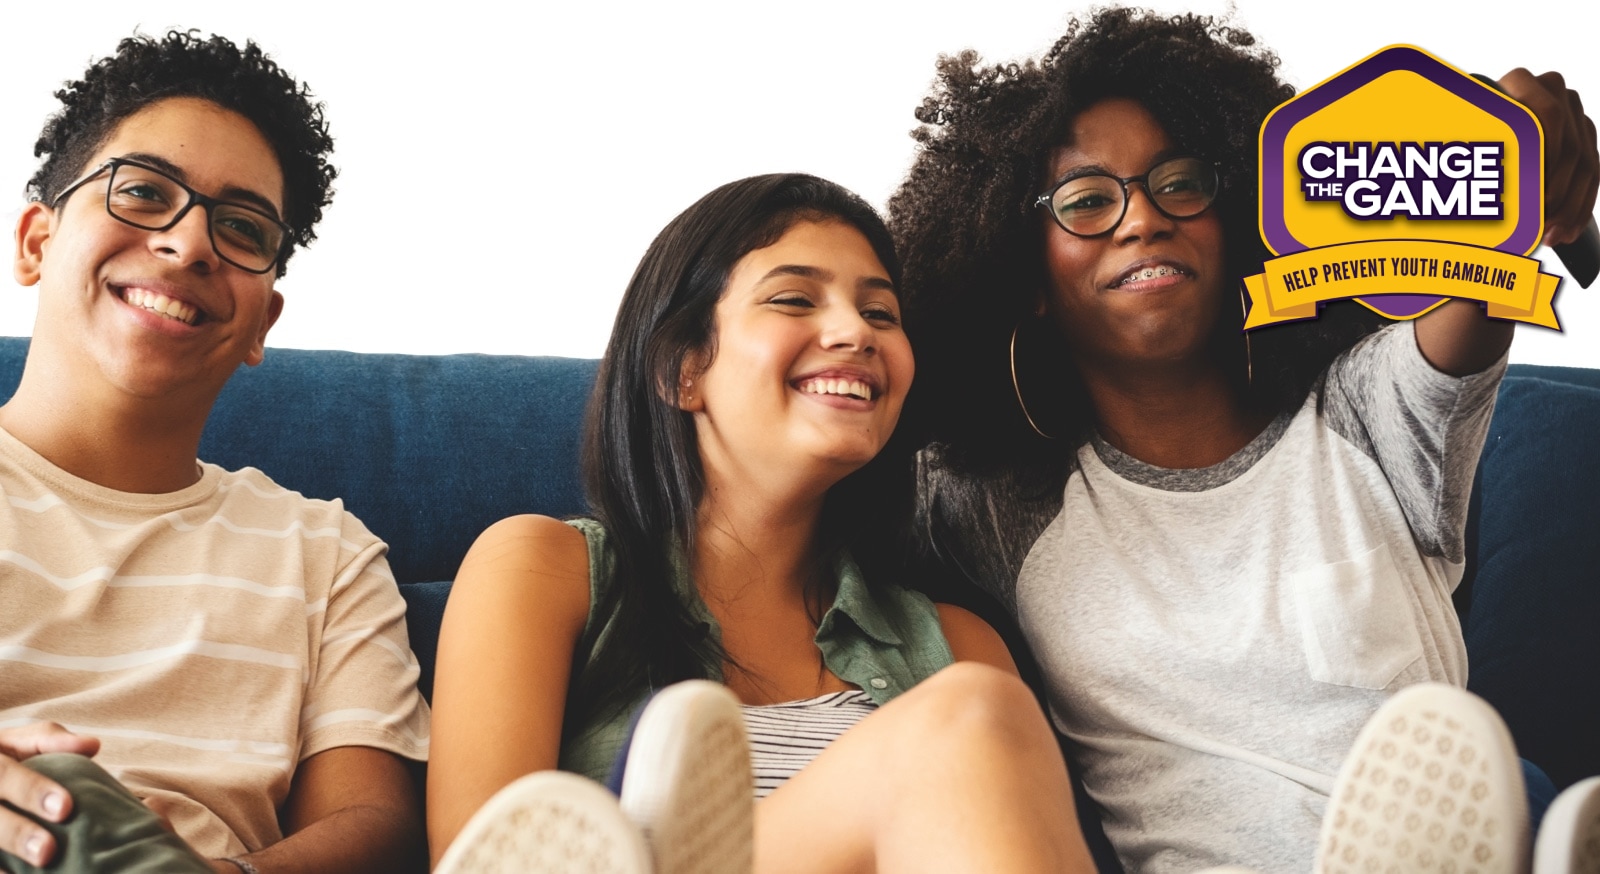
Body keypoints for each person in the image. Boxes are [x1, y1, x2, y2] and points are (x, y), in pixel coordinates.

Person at [888, 8, 1597, 874]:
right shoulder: (999, 500)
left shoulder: (1367, 414)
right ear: (1027, 275)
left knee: (1517, 791)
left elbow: (1471, 289)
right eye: (1086, 201)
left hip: (1454, 839)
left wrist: (1512, 145)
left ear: (1236, 221)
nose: (1141, 219)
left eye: (1179, 183)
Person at [427, 173, 1096, 873]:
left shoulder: (957, 643)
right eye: (793, 299)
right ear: (682, 369)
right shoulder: (542, 569)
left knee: (974, 713)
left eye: (881, 313)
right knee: (966, 718)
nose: (854, 333)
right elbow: (478, 858)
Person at [0, 31, 429, 873]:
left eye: (240, 228)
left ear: (262, 324)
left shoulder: (327, 554)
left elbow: (372, 819)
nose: (190, 244)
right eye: (145, 192)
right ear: (37, 243)